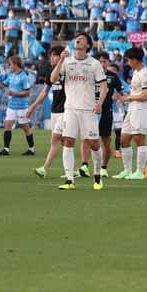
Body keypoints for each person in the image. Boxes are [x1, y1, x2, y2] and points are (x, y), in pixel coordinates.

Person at [49, 33, 107, 191]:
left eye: (82, 39)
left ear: (88, 45)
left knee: (94, 143)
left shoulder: (94, 64)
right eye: (76, 38)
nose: (78, 40)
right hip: (70, 109)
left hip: (88, 110)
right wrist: (61, 59)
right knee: (67, 141)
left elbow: (104, 86)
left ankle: (97, 175)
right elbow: (52, 79)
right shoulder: (67, 61)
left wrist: (99, 103)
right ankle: (69, 180)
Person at [115, 47, 147, 180]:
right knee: (124, 139)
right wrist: (127, 97)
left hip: (140, 110)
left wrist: (129, 97)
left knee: (139, 139)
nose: (128, 62)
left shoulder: (145, 73)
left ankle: (140, 172)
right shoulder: (136, 72)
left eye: (129, 60)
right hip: (132, 109)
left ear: (135, 60)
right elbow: (137, 92)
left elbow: (146, 95)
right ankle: (127, 170)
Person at [31, 45, 66, 179]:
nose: (51, 58)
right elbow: (45, 92)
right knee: (63, 142)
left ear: (60, 56)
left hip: (66, 110)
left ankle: (44, 168)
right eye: (50, 55)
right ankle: (74, 169)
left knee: (55, 139)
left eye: (54, 55)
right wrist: (33, 106)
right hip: (55, 110)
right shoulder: (51, 71)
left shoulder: (68, 70)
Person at [0, 55, 36, 156]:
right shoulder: (11, 75)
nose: (9, 66)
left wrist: (14, 93)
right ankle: (6, 149)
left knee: (25, 127)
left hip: (22, 106)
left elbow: (27, 92)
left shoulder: (24, 77)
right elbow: (3, 85)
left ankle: (31, 149)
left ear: (15, 64)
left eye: (10, 64)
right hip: (11, 106)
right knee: (7, 126)